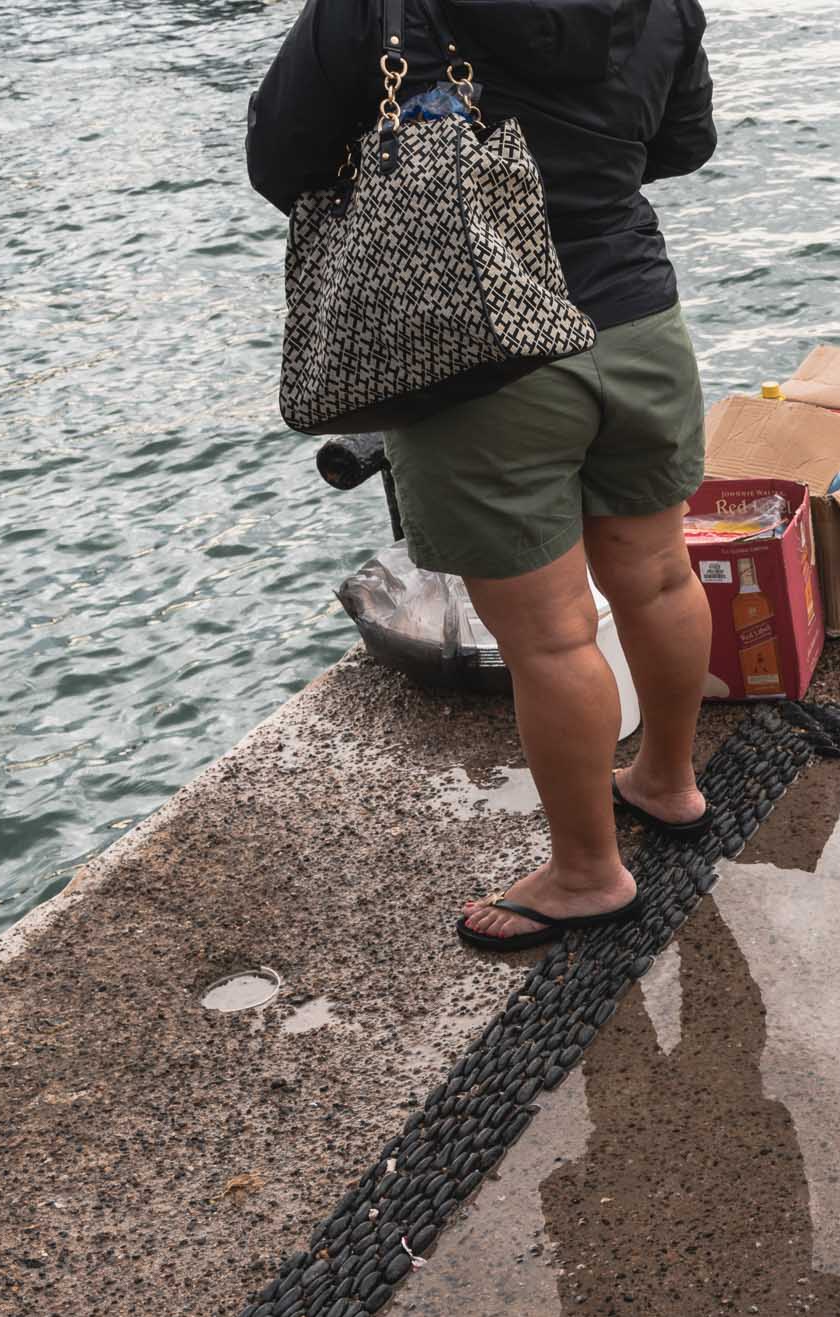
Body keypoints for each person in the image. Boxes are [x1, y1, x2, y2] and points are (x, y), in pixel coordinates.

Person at [247, 0, 718, 952]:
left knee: (550, 638)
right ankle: (667, 782)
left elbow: (281, 159)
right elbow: (683, 142)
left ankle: (587, 872)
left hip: (480, 348)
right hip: (636, 322)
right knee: (660, 573)